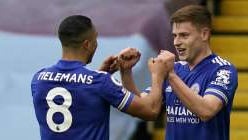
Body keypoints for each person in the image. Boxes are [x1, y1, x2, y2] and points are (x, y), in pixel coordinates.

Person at [31, 15, 169, 140]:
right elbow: (150, 111)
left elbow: (76, 96)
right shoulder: (100, 82)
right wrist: (158, 74)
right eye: (95, 39)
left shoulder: (38, 79)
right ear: (87, 44)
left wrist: (112, 72)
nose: (96, 44)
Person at [120, 5, 238, 140]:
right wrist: (126, 72)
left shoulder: (223, 70)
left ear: (204, 34)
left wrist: (170, 75)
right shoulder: (175, 69)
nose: (176, 42)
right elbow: (144, 109)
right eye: (175, 36)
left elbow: (207, 110)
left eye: (184, 35)